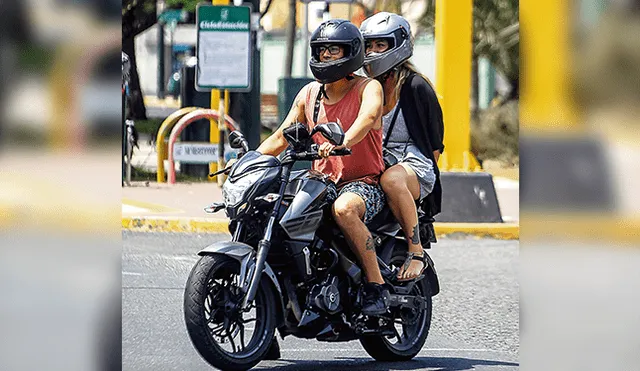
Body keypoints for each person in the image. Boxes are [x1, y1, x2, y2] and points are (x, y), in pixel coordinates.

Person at [257, 19, 391, 315]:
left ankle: (375, 286)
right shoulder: (309, 94)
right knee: (271, 209)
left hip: (363, 183)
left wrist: (344, 139)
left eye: (335, 49)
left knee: (344, 209)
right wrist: (249, 162)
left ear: (351, 52)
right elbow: (281, 135)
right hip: (320, 181)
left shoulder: (369, 88)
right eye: (322, 50)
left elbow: (368, 118)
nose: (327, 56)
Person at [360, 12, 445, 282]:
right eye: (368, 45)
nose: (372, 51)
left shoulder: (417, 87)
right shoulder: (361, 87)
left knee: (392, 180)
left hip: (413, 164)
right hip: (375, 159)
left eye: (380, 45)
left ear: (398, 45)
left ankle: (415, 250)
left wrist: (418, 186)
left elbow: (434, 146)